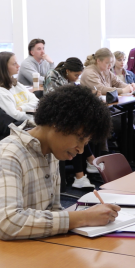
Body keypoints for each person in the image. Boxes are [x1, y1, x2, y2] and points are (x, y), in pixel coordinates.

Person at [0, 84, 118, 247]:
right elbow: (8, 224)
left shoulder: (51, 152)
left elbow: (52, 210)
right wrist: (84, 218)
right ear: (58, 124)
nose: (81, 150)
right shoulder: (8, 154)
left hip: (31, 244)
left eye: (86, 142)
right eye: (80, 139)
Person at [44, 58, 102, 188]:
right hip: (53, 115)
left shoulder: (68, 79)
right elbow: (56, 98)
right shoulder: (52, 75)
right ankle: (85, 168)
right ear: (68, 70)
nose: (77, 78)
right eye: (76, 75)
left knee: (82, 126)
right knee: (75, 130)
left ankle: (85, 169)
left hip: (64, 115)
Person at [0, 52, 40, 136]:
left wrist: (22, 107)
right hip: (20, 126)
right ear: (4, 68)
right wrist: (36, 120)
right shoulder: (0, 91)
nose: (18, 65)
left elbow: (36, 101)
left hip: (28, 120)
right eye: (14, 64)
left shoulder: (16, 84)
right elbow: (16, 115)